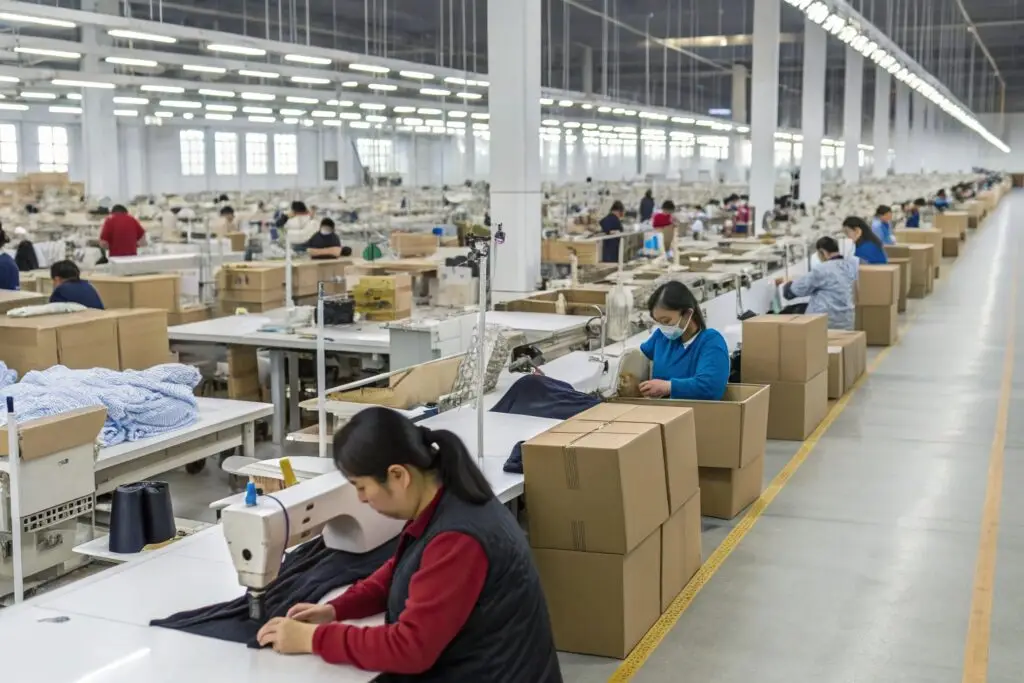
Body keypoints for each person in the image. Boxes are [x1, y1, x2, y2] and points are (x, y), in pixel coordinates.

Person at [257, 407, 563, 682]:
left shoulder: (458, 539)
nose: (361, 499)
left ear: (398, 475)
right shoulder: (449, 501)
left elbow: (410, 648)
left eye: (362, 486)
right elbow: (403, 568)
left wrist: (314, 638)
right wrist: (336, 610)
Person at [638, 281, 730, 400]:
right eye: (659, 322)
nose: (663, 327)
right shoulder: (662, 337)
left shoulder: (711, 342)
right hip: (662, 412)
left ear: (687, 313)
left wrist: (668, 387)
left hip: (695, 415)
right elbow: (641, 356)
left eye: (666, 321)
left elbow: (710, 387)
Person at [779, 236, 858, 330]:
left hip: (824, 324)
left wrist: (787, 283)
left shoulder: (821, 270)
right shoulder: (850, 267)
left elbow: (791, 292)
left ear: (822, 252)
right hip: (847, 322)